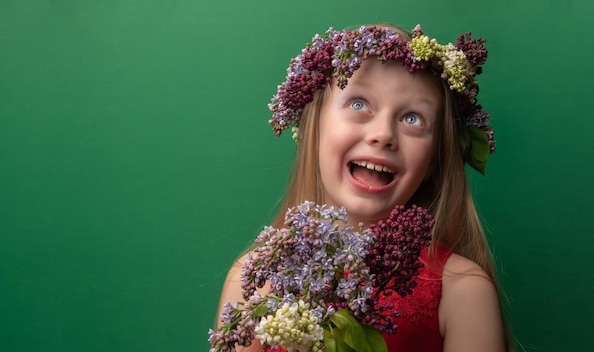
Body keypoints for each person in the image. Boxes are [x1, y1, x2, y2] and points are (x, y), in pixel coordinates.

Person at [216, 23, 513, 352]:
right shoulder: (256, 280)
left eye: (412, 118)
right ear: (315, 129)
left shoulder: (462, 290)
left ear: (433, 160)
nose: (383, 134)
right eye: (358, 104)